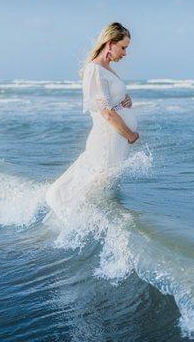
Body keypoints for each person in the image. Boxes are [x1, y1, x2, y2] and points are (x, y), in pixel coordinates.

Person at [45, 22, 139, 219]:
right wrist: (130, 135)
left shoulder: (106, 69)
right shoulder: (95, 70)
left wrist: (125, 99)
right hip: (108, 137)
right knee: (97, 178)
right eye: (123, 47)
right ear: (110, 43)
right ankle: (78, 220)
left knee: (102, 180)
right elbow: (106, 113)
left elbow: (111, 101)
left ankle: (89, 219)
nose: (125, 53)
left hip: (115, 138)